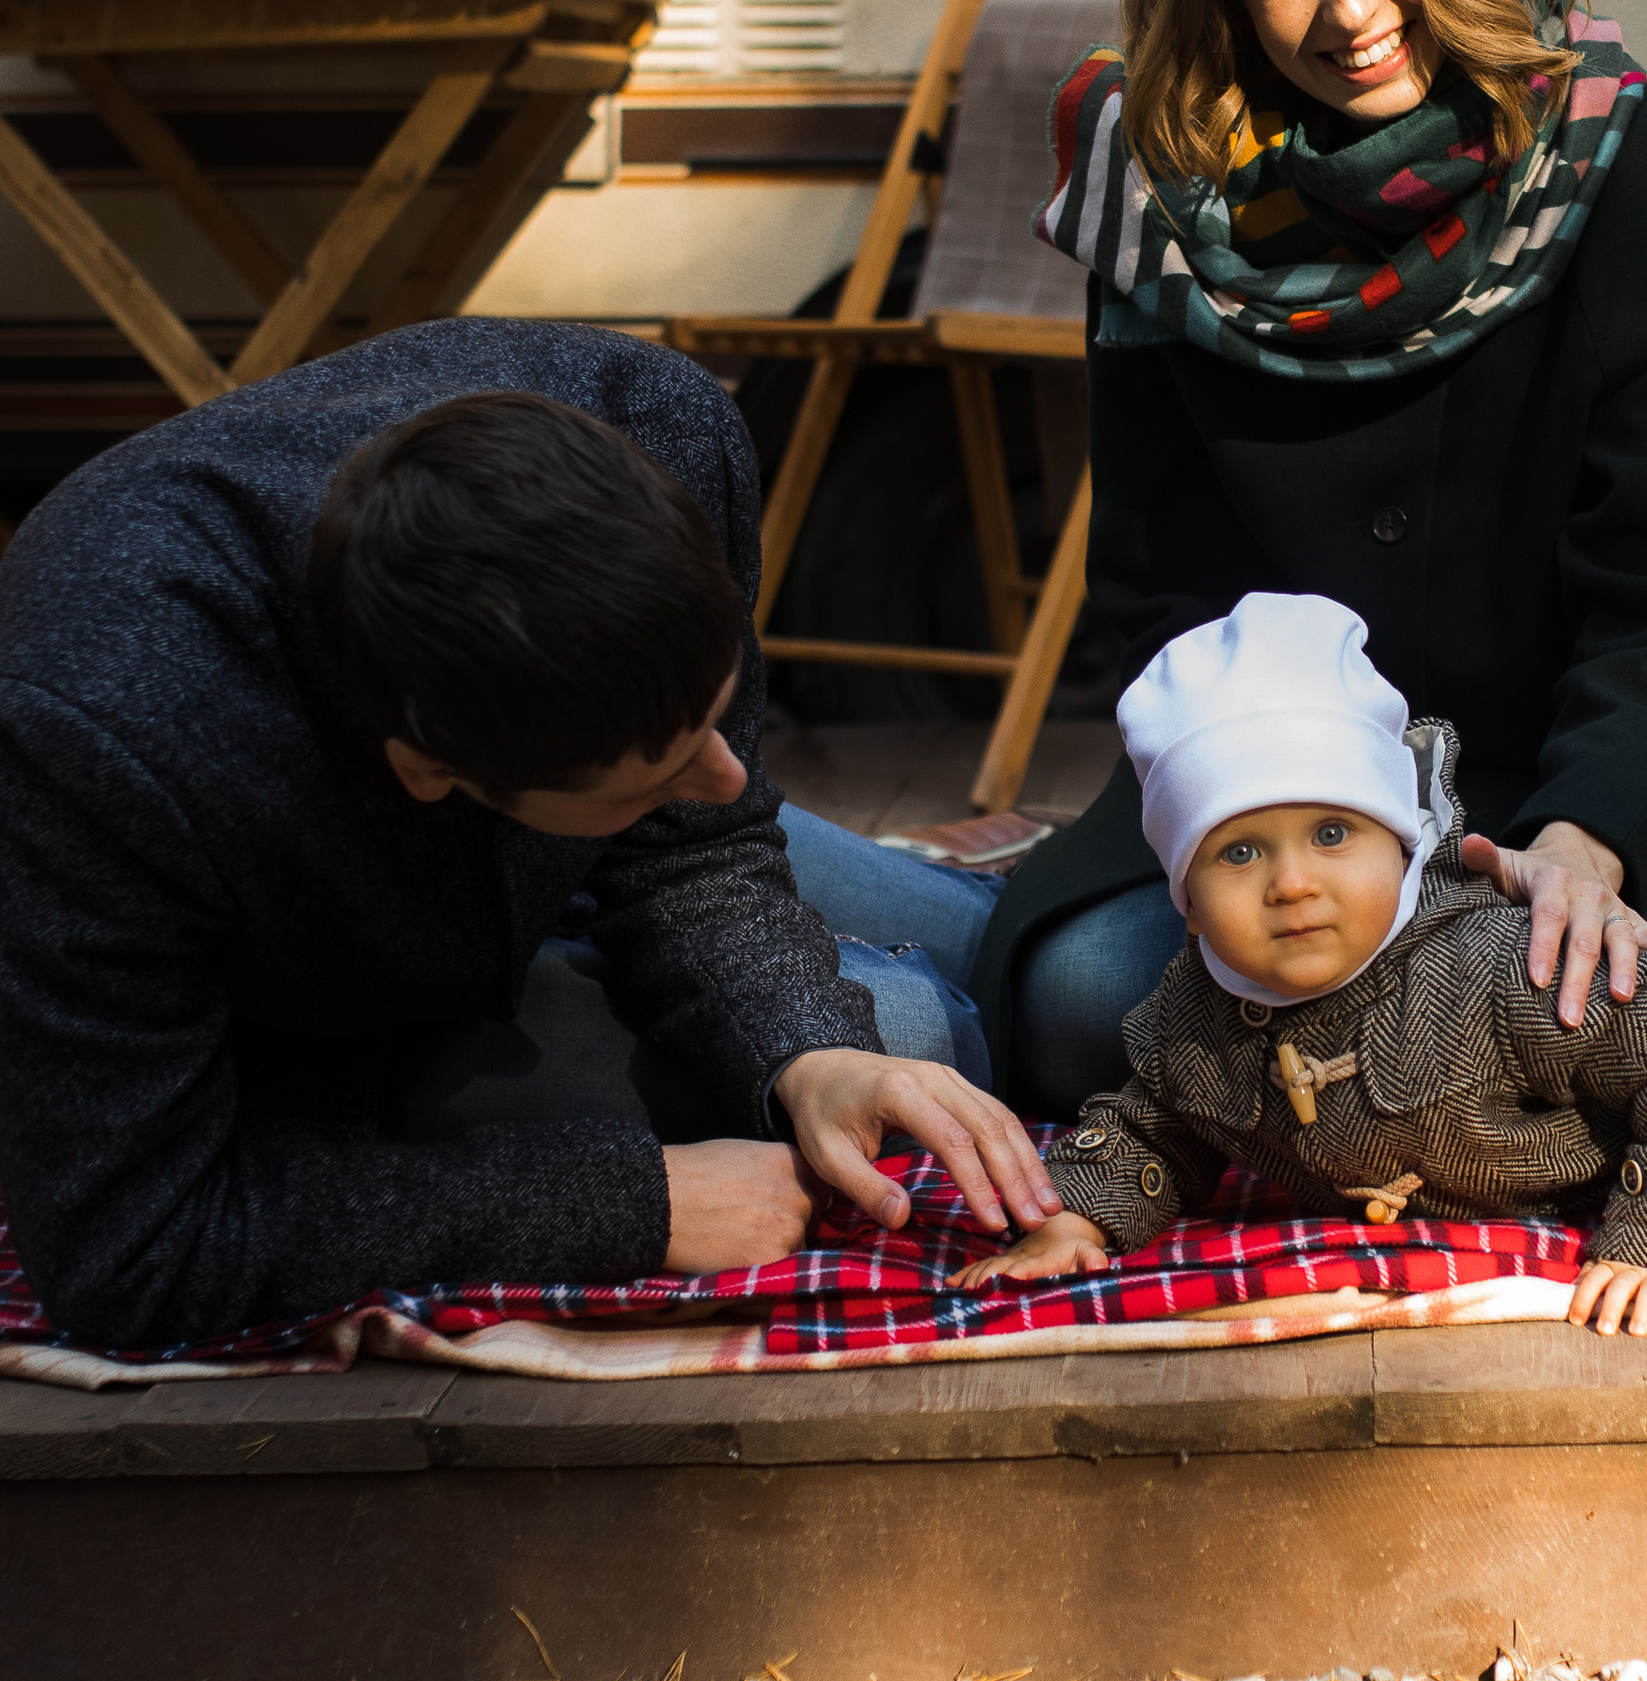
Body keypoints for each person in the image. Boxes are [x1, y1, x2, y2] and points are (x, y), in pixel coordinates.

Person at [962, 0, 1647, 1115]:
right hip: (1273, 813)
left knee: (1528, 1045)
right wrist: (1273, 842)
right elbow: (1165, 601)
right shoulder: (1160, 208)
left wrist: (1588, 839)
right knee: (1080, 1012)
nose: (1351, 12)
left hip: (1562, 804)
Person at [0, 321, 1060, 1351]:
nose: (730, 775)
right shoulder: (93, 745)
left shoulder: (656, 426)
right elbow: (131, 1248)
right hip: (308, 1020)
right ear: (434, 770)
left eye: (715, 716)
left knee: (1047, 991)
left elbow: (698, 835)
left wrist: (807, 1050)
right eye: (658, 767)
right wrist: (631, 1200)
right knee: (914, 1033)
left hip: (517, 854)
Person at [956, 595, 1647, 1333]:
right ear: (1183, 889)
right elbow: (1157, 1117)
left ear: (1400, 840)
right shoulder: (1190, 1017)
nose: (1291, 882)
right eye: (1239, 850)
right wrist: (1084, 1217)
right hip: (1632, 1012)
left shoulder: (1495, 977)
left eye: (1333, 835)